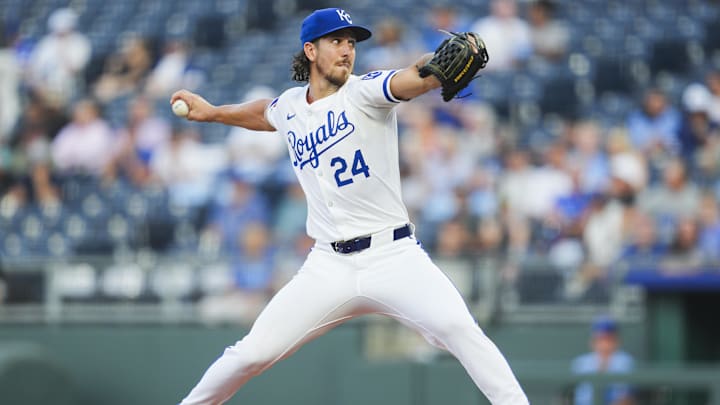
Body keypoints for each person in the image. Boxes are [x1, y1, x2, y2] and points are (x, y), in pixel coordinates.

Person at [171, 7, 528, 405]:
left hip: (394, 256)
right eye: (336, 41)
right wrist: (214, 112)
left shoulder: (365, 91)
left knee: (460, 330)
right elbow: (264, 112)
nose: (346, 50)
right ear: (310, 49)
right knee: (252, 353)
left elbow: (412, 77)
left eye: (351, 43)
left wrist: (431, 65)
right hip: (328, 266)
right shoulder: (291, 106)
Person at [571, 316, 635, 405]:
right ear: (592, 341)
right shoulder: (581, 362)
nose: (604, 344)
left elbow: (626, 398)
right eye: (600, 339)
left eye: (608, 339)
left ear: (616, 340)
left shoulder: (625, 361)